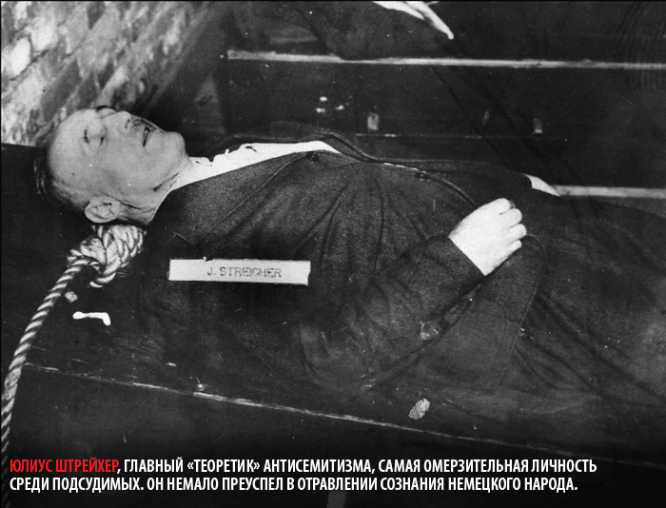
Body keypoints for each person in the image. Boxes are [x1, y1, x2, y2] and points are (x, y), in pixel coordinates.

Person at [40, 107, 666, 408]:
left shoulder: (235, 147)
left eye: (106, 111)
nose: (117, 119)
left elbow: (384, 171)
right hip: (522, 310)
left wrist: (511, 180)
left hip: (546, 230)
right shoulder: (193, 266)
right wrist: (458, 258)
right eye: (96, 137)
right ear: (104, 208)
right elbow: (328, 358)